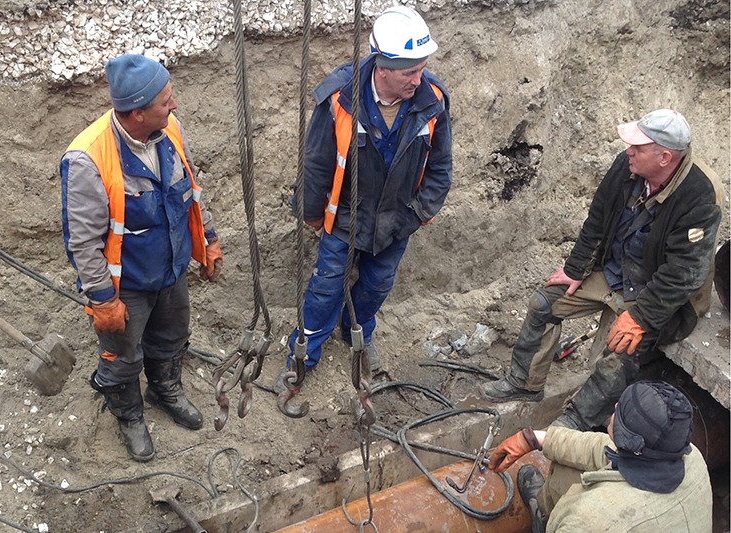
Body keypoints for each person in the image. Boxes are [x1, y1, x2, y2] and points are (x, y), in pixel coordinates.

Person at [480, 109, 723, 430]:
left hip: (655, 292)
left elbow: (684, 274)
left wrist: (640, 317)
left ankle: (571, 425)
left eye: (638, 147)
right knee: (545, 302)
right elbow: (597, 216)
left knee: (619, 351)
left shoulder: (700, 195)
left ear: (665, 157)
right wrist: (576, 268)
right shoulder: (628, 167)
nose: (628, 152)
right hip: (614, 270)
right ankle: (525, 384)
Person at [276, 5, 452, 388]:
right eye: (410, 71)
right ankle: (303, 355)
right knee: (325, 288)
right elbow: (317, 162)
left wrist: (420, 213)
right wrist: (310, 211)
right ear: (382, 67)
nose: (418, 79)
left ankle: (358, 331)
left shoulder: (432, 98)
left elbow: (441, 165)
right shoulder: (341, 99)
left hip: (396, 220)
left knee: (376, 286)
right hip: (344, 217)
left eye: (421, 68)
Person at [60, 54, 223, 461]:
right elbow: (82, 242)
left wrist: (208, 241)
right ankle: (129, 413)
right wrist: (102, 298)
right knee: (122, 356)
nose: (174, 106)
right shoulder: (87, 159)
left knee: (170, 338)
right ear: (136, 114)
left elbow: (188, 192)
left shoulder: (170, 131)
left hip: (170, 268)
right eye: (165, 101)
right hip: (126, 284)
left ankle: (165, 389)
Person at [487, 381, 712, 532]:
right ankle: (544, 513)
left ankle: (543, 522)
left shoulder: (590, 521)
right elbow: (605, 447)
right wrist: (533, 439)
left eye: (619, 410)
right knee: (566, 465)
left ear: (628, 438)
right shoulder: (691, 458)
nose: (615, 406)